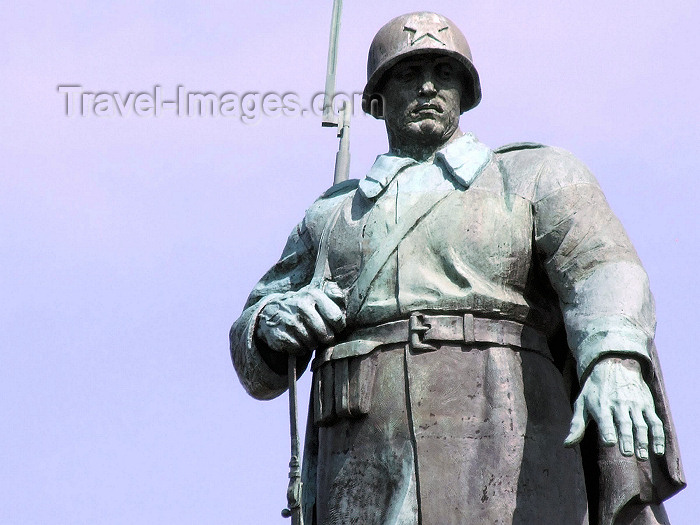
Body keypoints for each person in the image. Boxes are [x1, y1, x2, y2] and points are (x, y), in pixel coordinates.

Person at [230, 11, 684, 525]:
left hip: (504, 433)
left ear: (466, 93)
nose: (427, 86)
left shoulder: (534, 175)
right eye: (407, 74)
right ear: (377, 101)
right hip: (362, 452)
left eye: (444, 74)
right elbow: (255, 347)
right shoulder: (330, 215)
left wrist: (615, 360)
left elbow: (603, 269)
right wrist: (270, 324)